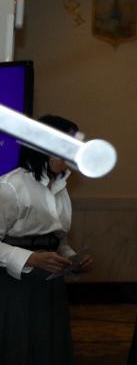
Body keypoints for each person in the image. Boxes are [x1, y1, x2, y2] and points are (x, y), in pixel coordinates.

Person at [0, 114, 94, 365]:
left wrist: (72, 258)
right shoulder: (10, 187)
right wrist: (30, 258)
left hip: (50, 286)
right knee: (18, 345)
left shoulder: (61, 190)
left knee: (49, 346)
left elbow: (56, 240)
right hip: (14, 285)